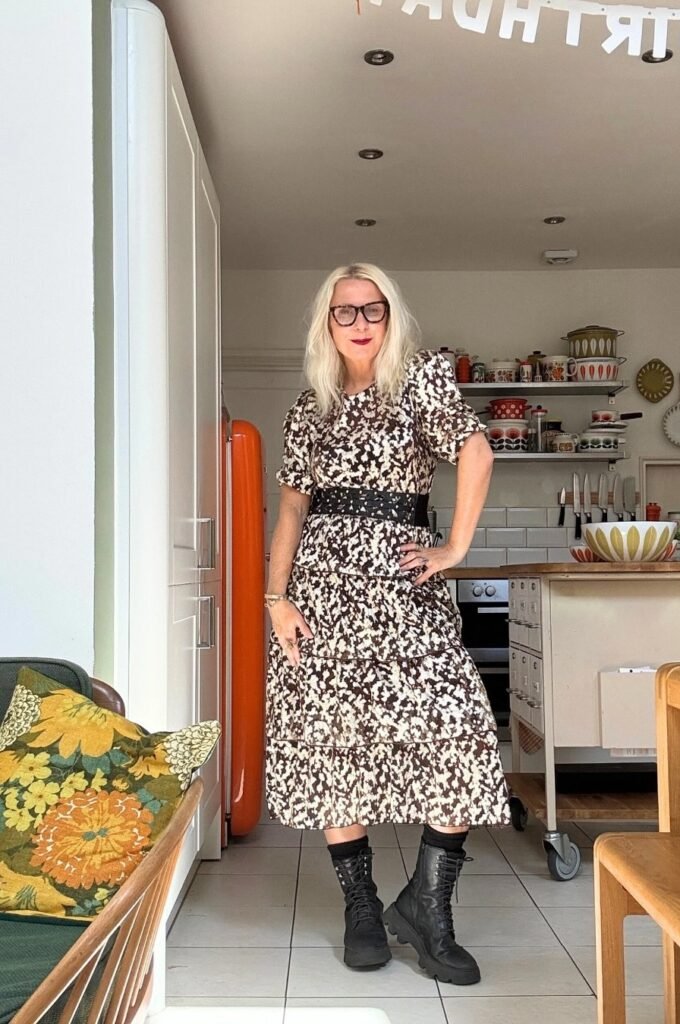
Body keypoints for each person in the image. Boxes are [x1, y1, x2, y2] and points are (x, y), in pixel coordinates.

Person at [264, 262, 510, 985]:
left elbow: (475, 450)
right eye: (345, 311)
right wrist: (275, 599)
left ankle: (426, 906)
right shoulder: (308, 408)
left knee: (459, 728)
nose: (360, 321)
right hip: (322, 592)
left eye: (372, 308)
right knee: (335, 743)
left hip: (405, 588)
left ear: (389, 315)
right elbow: (291, 511)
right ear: (327, 323)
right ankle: (362, 907)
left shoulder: (421, 382)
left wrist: (455, 547)